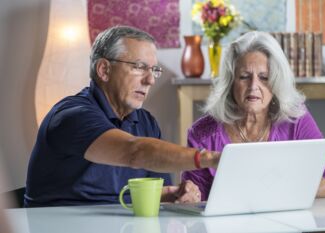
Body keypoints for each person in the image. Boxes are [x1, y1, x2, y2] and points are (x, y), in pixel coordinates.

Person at [24, 26, 220, 207]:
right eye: (139, 67)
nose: (150, 80)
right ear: (104, 70)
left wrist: (171, 194)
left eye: (153, 70)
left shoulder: (146, 122)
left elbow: (139, 192)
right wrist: (210, 158)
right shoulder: (72, 117)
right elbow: (133, 151)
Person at [182, 31, 325, 200]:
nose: (253, 86)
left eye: (264, 77)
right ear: (230, 82)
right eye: (244, 77)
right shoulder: (201, 133)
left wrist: (268, 190)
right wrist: (188, 195)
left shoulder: (296, 120)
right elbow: (193, 200)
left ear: (276, 81)